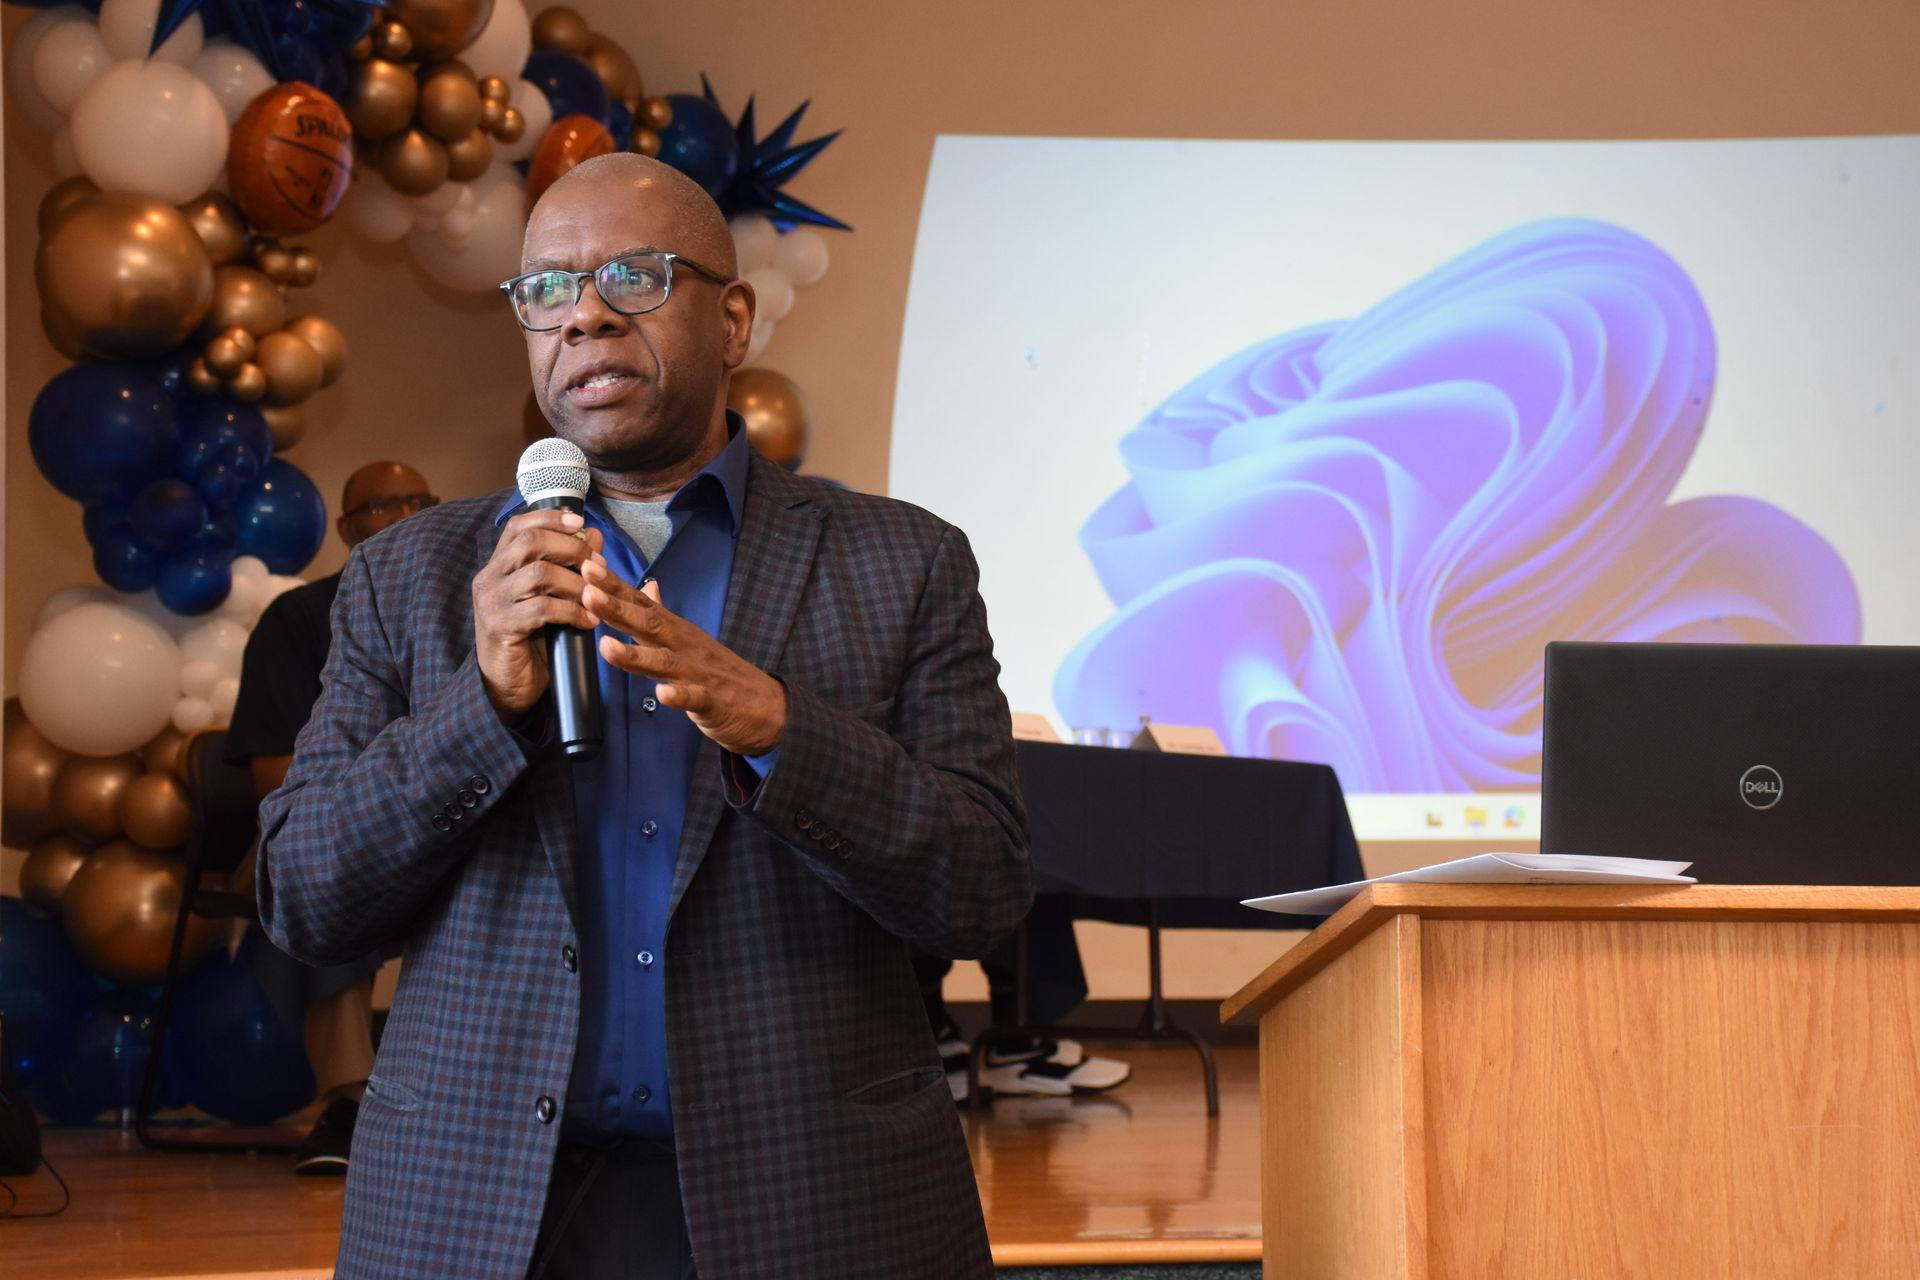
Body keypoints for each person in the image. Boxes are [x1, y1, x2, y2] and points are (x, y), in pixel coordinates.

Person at [254, 153, 1032, 1280]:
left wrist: (778, 728)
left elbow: (985, 887)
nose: (586, 317)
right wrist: (485, 709)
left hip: (812, 1199)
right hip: (473, 1208)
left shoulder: (902, 562)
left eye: (633, 273)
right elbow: (306, 898)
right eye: (548, 291)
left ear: (733, 318)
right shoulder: (411, 578)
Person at [225, 461, 440, 1175]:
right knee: (329, 850)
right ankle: (354, 1100)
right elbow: (276, 778)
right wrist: (401, 789)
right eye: (381, 505)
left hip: (454, 819)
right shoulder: (299, 620)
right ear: (349, 531)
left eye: (418, 500)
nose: (403, 514)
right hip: (343, 816)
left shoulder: (476, 606)